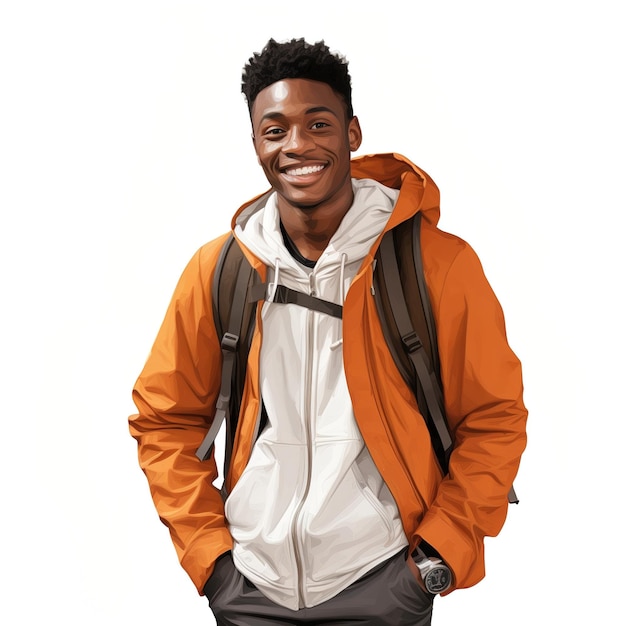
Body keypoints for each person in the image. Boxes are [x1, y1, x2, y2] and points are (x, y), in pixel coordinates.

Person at [129, 38, 527, 625]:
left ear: (353, 132)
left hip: (384, 581)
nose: (298, 146)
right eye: (275, 130)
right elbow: (163, 419)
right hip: (250, 588)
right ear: (257, 145)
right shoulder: (220, 271)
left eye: (318, 124)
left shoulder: (438, 266)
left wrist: (437, 559)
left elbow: (494, 418)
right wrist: (211, 561)